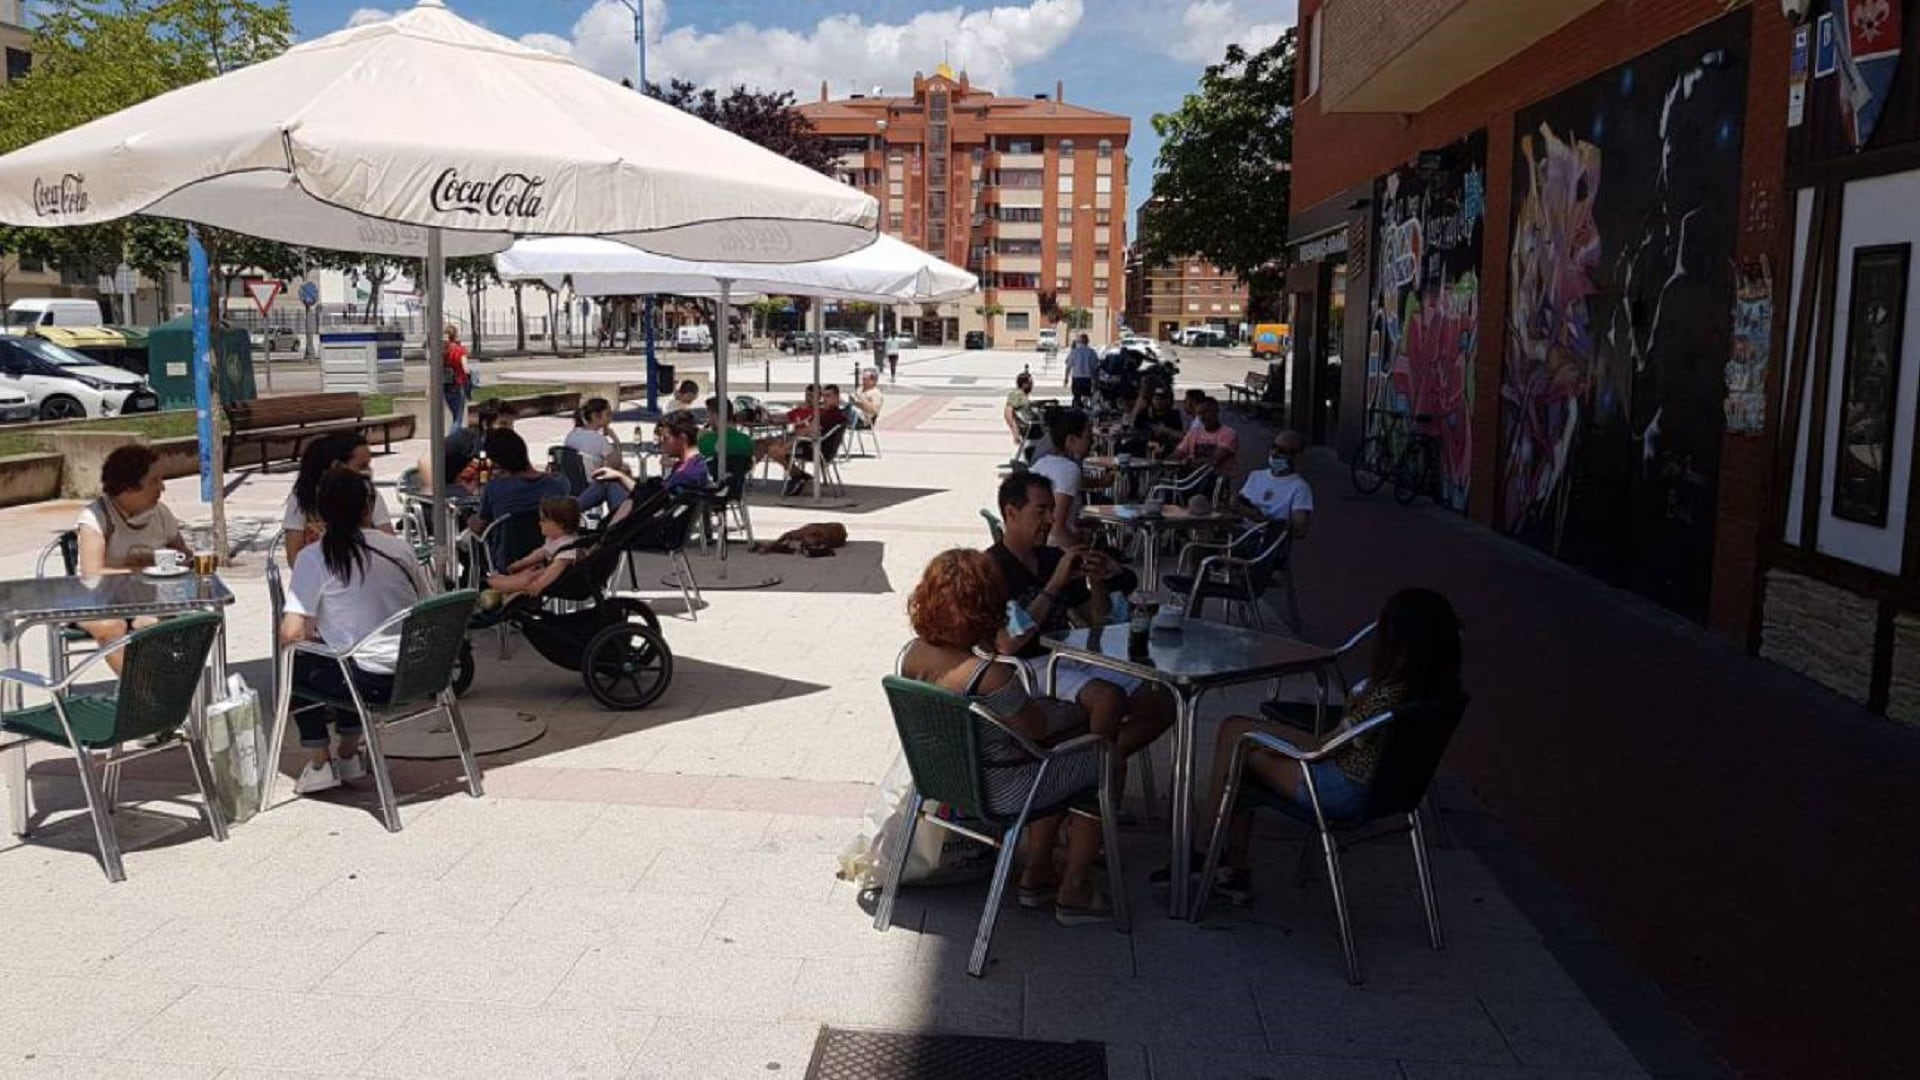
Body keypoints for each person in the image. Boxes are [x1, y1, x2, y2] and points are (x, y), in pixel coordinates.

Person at [1194, 589, 1463, 900]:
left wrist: (1261, 733)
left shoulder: (1385, 697)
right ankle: (1223, 865)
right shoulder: (1430, 693)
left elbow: (1324, 746)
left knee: (1238, 745)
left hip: (1341, 788)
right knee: (1242, 739)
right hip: (1384, 791)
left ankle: (1207, 853)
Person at [899, 549, 1113, 924]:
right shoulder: (989, 676)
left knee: (1059, 751)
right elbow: (1039, 729)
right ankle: (1074, 886)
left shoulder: (914, 655)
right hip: (1000, 791)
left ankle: (1038, 871)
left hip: (940, 780)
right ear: (986, 604)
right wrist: (1076, 712)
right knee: (1104, 758)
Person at [988, 472, 1175, 799]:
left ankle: (1099, 763)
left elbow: (1096, 622)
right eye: (1041, 510)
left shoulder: (1052, 558)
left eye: (1051, 510)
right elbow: (1007, 642)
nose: (1050, 520)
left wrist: (1097, 579)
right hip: (1024, 666)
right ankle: (1090, 796)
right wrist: (1054, 586)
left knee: (1161, 701)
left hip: (1067, 656)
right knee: (1108, 698)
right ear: (1011, 513)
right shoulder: (992, 567)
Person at [280, 467, 429, 795]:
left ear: (321, 513)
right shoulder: (400, 548)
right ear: (368, 507)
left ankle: (321, 762)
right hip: (419, 672)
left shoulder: (315, 557)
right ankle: (348, 753)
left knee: (299, 662)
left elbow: (290, 633)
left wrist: (316, 630)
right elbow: (427, 605)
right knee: (342, 656)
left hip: (368, 680)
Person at [74, 445, 191, 673]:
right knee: (111, 626)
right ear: (130, 488)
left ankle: (158, 689)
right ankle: (140, 695)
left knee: (153, 625)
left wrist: (181, 564)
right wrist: (148, 571)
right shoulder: (96, 517)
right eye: (155, 481)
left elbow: (183, 555)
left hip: (149, 601)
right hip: (99, 601)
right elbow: (92, 573)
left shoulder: (161, 514)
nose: (163, 487)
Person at [285, 432, 395, 565]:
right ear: (337, 467)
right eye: (361, 466)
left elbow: (390, 545)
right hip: (320, 578)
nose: (369, 472)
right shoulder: (301, 498)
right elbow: (294, 558)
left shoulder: (370, 495)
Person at [468, 429, 569, 568]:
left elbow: (479, 528)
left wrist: (470, 521)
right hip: (550, 560)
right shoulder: (559, 485)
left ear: (498, 462)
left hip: (508, 563)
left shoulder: (494, 489)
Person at [481, 496, 585, 606]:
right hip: (548, 573)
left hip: (560, 580)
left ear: (560, 524)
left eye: (544, 520)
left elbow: (555, 569)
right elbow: (540, 553)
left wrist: (538, 585)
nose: (540, 523)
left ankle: (501, 585)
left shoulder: (568, 546)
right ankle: (508, 588)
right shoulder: (555, 540)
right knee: (528, 573)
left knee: (527, 579)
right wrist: (521, 563)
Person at [598, 411, 710, 500]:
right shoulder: (694, 465)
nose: (662, 443)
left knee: (609, 484)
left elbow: (652, 498)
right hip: (661, 514)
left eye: (666, 438)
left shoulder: (685, 473)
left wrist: (620, 477)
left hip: (650, 523)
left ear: (682, 438)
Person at [1029, 408, 1094, 549]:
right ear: (1071, 440)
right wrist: (1084, 550)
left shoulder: (1043, 462)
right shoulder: (1069, 470)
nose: (1092, 442)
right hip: (1051, 552)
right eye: (1088, 437)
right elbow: (1057, 530)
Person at [421, 398, 517, 494]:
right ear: (485, 424)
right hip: (454, 497)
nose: (510, 430)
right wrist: (434, 492)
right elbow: (426, 459)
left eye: (511, 425)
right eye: (503, 424)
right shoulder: (465, 439)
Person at [1236, 429, 1313, 539]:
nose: (1274, 453)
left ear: (1296, 457)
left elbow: (1299, 530)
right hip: (1239, 531)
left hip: (1262, 541)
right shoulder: (1256, 476)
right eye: (1273, 447)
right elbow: (1240, 504)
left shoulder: (1300, 488)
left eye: (1282, 451)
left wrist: (1261, 519)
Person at [566, 397, 628, 513]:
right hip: (592, 485)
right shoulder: (600, 440)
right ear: (596, 416)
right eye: (608, 415)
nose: (611, 418)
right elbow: (615, 465)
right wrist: (615, 439)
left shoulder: (572, 434)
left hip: (573, 483)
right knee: (622, 475)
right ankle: (621, 514)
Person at [1173, 397, 1240, 478]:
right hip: (1191, 478)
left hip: (1215, 479)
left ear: (1216, 411)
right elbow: (1179, 452)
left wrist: (1189, 462)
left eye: (1206, 412)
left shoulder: (1229, 434)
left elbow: (1215, 459)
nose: (1203, 417)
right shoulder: (1194, 433)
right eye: (1199, 414)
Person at [1127, 385, 1185, 457]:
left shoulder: (1174, 415)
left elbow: (1181, 435)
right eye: (1156, 398)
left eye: (1163, 399)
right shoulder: (1144, 413)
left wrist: (1164, 430)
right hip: (1144, 448)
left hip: (1165, 449)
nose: (1159, 402)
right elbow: (1134, 429)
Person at [441, 325, 471, 426]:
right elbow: (466, 369)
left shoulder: (442, 351)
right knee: (457, 418)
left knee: (454, 413)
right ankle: (452, 440)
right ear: (455, 335)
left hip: (445, 385)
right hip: (457, 384)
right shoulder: (460, 350)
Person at [1004, 372, 1039, 450]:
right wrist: (1015, 431)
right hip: (1031, 427)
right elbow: (1008, 412)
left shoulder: (1022, 394)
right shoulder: (1016, 394)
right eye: (1030, 383)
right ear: (1024, 384)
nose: (1032, 385)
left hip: (1032, 425)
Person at [1063, 333, 1099, 407]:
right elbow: (1094, 367)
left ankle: (1077, 410)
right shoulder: (1091, 352)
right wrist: (1095, 380)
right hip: (1087, 378)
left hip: (1077, 378)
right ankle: (1085, 410)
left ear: (1079, 341)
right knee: (1087, 396)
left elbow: (1068, 366)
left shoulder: (1074, 352)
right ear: (1088, 341)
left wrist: (1066, 378)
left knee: (1076, 397)